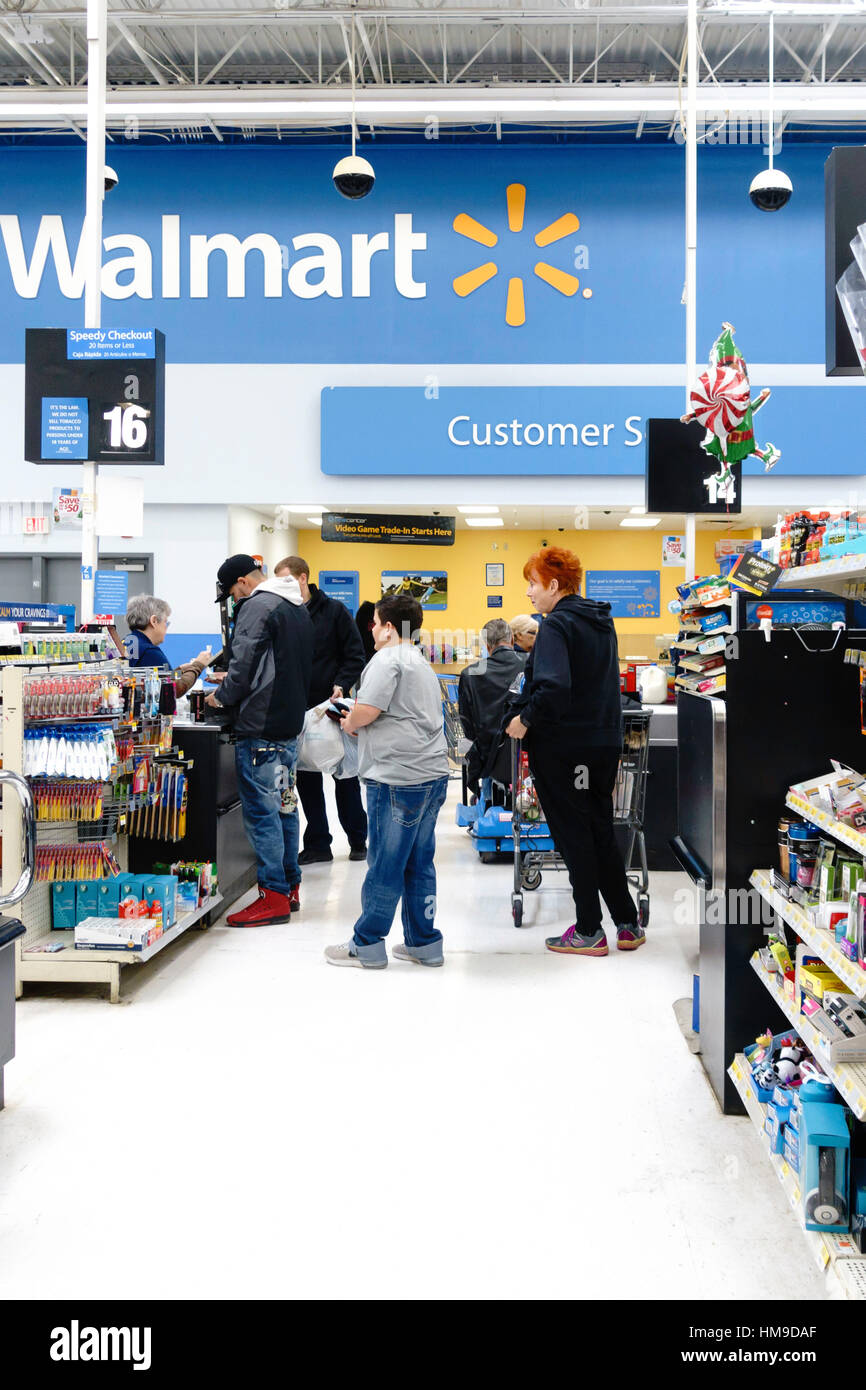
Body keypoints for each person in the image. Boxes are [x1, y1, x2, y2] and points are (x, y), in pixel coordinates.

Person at [505, 546, 644, 958]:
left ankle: (588, 929)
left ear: (552, 584)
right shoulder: (601, 621)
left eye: (532, 583)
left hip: (564, 746)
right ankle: (627, 922)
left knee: (573, 836)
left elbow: (553, 687)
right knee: (599, 829)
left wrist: (523, 721)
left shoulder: (556, 625)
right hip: (602, 743)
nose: (529, 593)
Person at [324, 594, 449, 970]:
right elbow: (402, 717)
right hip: (430, 774)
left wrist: (348, 721)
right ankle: (424, 943)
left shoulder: (387, 659)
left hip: (396, 780)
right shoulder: (419, 661)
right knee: (418, 862)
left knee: (385, 863)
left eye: (375, 622)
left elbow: (367, 711)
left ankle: (367, 943)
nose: (372, 629)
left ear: (389, 626)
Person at [205, 554, 313, 928]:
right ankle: (289, 885)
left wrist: (222, 696)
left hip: (260, 727)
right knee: (285, 806)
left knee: (261, 812)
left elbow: (244, 663)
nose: (235, 600)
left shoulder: (256, 606)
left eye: (234, 593)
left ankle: (272, 896)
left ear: (243, 583)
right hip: (288, 726)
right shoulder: (296, 607)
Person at [274, 558, 368, 863]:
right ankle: (317, 844)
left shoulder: (334, 612)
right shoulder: (282, 613)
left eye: (287, 581)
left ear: (303, 579)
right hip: (297, 711)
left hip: (331, 710)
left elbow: (355, 655)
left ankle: (358, 840)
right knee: (307, 779)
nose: (281, 588)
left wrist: (342, 683)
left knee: (345, 777)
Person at [458, 618, 525, 801]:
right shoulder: (530, 665)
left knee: (480, 749)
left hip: (488, 758)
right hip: (527, 753)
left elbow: (467, 724)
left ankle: (485, 799)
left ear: (487, 646)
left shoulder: (470, 674)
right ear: (512, 641)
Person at [123, 595, 214, 697]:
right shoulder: (149, 652)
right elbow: (174, 689)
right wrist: (198, 665)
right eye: (166, 622)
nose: (166, 627)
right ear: (154, 621)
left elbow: (157, 681)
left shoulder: (128, 643)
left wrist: (180, 670)